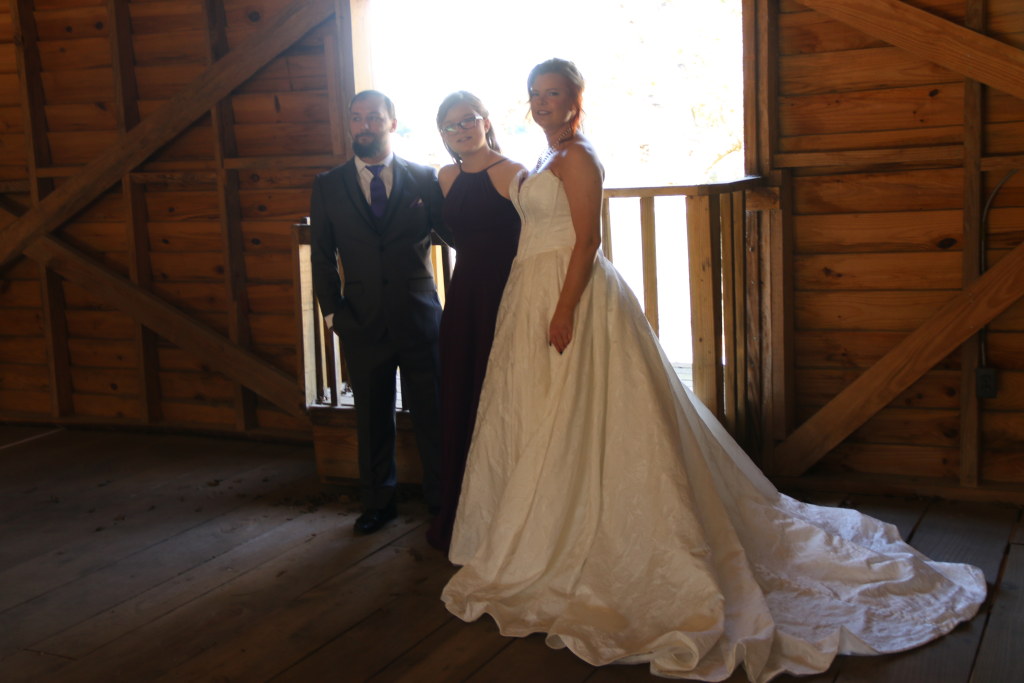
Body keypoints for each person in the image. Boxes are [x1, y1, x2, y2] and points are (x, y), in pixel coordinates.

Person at [440, 59, 986, 681]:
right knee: (539, 411)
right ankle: (541, 524)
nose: (541, 102)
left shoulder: (580, 157)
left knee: (589, 408)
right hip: (529, 290)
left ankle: (595, 531)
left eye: (553, 93)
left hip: (573, 293)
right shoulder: (543, 156)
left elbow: (587, 240)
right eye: (534, 94)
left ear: (574, 99)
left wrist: (564, 309)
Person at [310, 90, 453, 535]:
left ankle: (443, 502)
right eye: (356, 118)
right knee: (371, 417)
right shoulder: (328, 185)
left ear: (392, 122)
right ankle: (377, 504)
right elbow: (321, 256)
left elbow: (454, 234)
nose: (364, 125)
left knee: (433, 415)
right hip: (361, 321)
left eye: (373, 117)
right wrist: (334, 316)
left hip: (419, 317)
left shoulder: (424, 178)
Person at [425, 92, 524, 551]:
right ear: (443, 134)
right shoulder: (445, 177)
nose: (461, 130)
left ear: (485, 121)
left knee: (502, 392)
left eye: (468, 120)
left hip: (506, 293)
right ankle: (468, 508)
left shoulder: (513, 172)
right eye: (450, 125)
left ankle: (511, 508)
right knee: (464, 392)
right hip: (464, 296)